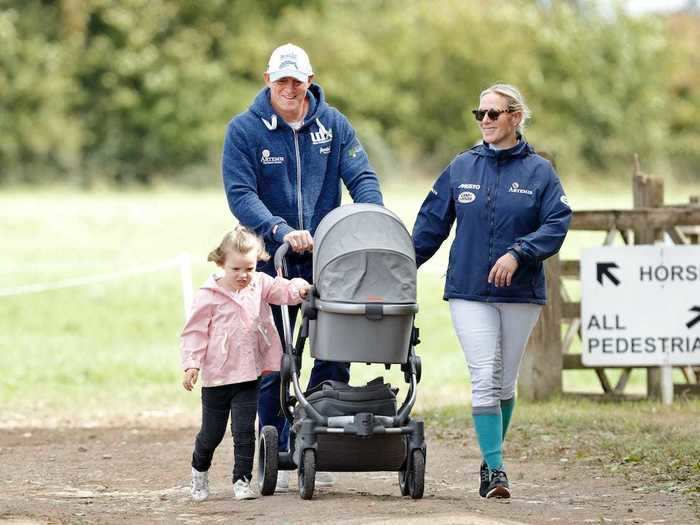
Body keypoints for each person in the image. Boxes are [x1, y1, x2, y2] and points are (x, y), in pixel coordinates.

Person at [220, 43, 383, 490]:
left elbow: (362, 177)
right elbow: (240, 193)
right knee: (275, 357)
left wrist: (372, 219)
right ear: (267, 80)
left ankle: (317, 435)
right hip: (271, 260)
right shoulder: (245, 131)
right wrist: (277, 228)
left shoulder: (333, 125)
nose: (289, 89)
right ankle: (273, 444)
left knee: (334, 348)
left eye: (297, 80)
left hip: (330, 260)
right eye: (281, 81)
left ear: (309, 80)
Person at [412, 84, 572, 499]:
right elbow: (429, 227)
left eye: (493, 114)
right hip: (468, 290)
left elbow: (556, 224)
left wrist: (520, 253)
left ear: (515, 118)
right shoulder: (461, 167)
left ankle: (490, 457)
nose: (485, 120)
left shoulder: (540, 172)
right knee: (484, 376)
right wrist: (397, 266)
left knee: (504, 382)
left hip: (521, 293)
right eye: (479, 113)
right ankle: (496, 472)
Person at [181, 227, 310, 502]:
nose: (243, 275)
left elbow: (283, 289)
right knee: (211, 434)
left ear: (257, 263)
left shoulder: (259, 283)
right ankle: (199, 472)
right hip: (217, 378)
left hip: (249, 374)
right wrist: (192, 364)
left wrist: (299, 288)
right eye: (236, 268)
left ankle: (242, 481)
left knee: (244, 432)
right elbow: (194, 332)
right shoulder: (209, 295)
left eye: (249, 268)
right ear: (221, 264)